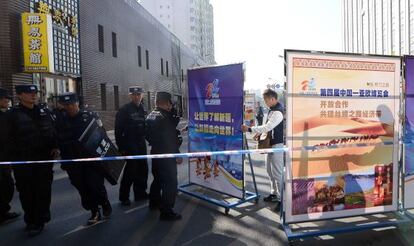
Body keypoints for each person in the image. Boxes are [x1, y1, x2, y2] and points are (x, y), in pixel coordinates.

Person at [8, 84, 59, 236]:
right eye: (29, 93)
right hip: (23, 161)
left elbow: (53, 130)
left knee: (43, 190)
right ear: (19, 95)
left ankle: (40, 219)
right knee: (26, 191)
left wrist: (55, 146)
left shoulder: (44, 112)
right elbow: (6, 138)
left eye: (35, 93)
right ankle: (30, 219)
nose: (33, 95)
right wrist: (10, 160)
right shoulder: (12, 115)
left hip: (43, 159)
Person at [55, 92, 112, 225]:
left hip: (91, 160)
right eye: (66, 105)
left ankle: (104, 202)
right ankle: (94, 211)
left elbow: (102, 134)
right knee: (82, 187)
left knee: (96, 185)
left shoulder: (90, 116)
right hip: (72, 162)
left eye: (71, 104)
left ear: (77, 103)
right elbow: (56, 139)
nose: (69, 107)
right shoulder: (60, 120)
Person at [241, 89, 284, 212]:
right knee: (269, 171)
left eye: (266, 100)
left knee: (277, 173)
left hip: (277, 145)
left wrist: (250, 129)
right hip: (269, 144)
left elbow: (268, 126)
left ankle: (282, 200)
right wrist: (259, 134)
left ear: (272, 99)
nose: (265, 103)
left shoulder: (278, 112)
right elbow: (268, 129)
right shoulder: (272, 110)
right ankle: (274, 194)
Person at [146, 91, 183, 221]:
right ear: (167, 103)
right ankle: (166, 211)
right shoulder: (164, 117)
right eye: (170, 103)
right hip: (166, 154)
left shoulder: (151, 115)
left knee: (158, 179)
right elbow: (170, 139)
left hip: (155, 152)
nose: (171, 105)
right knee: (170, 182)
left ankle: (154, 202)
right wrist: (177, 155)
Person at [115, 86, 148, 206]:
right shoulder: (124, 110)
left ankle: (140, 193)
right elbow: (118, 131)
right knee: (130, 171)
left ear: (142, 95)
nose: (136, 97)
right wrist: (121, 148)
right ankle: (124, 196)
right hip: (129, 143)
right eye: (134, 95)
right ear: (130, 96)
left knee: (142, 169)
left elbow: (146, 127)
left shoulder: (143, 109)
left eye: (138, 94)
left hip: (141, 143)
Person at [0, 88, 20, 224]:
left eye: (8, 98)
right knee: (5, 185)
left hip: (5, 157)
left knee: (7, 186)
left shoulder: (7, 115)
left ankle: (3, 211)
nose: (7, 100)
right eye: (4, 98)